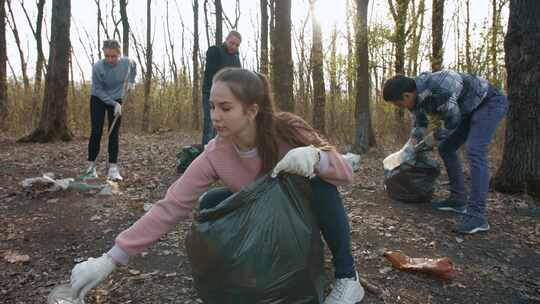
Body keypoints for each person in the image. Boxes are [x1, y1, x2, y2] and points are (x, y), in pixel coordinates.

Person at [70, 68, 365, 304]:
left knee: (324, 188)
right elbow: (171, 206)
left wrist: (315, 158)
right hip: (262, 219)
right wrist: (111, 258)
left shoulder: (288, 129)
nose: (215, 116)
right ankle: (241, 270)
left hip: (299, 214)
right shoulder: (216, 153)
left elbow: (343, 174)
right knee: (211, 202)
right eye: (212, 106)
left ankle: (347, 278)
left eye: (225, 107)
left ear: (251, 110)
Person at [382, 70, 508, 234]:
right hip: (467, 110)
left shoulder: (440, 86)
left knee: (475, 149)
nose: (400, 107)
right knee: (446, 148)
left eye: (399, 104)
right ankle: (458, 199)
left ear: (406, 96)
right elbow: (420, 124)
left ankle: (477, 215)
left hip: (489, 102)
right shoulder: (415, 98)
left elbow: (452, 121)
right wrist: (412, 145)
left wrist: (432, 139)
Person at [84, 39, 137, 181]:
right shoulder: (97, 67)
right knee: (96, 131)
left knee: (113, 133)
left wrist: (132, 81)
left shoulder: (127, 62)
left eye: (113, 56)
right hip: (98, 98)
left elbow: (134, 65)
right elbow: (99, 91)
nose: (110, 59)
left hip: (117, 98)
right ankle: (91, 167)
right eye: (107, 56)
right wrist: (114, 104)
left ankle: (113, 169)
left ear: (119, 54)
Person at [201, 31, 242, 146]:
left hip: (228, 98)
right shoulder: (214, 51)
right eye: (232, 43)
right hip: (211, 95)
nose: (234, 46)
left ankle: (219, 152)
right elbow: (212, 74)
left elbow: (238, 79)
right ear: (226, 40)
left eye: (237, 45)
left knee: (224, 126)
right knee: (210, 125)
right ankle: (206, 154)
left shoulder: (236, 59)